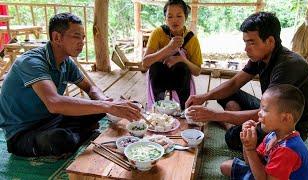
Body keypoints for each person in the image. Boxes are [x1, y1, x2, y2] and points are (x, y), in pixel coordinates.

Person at [0, 13, 141, 157]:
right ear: (57, 38)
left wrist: (106, 101)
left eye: (83, 37)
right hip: (23, 132)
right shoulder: (32, 62)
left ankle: (79, 134)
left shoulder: (66, 62)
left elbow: (90, 88)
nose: (81, 42)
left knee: (102, 108)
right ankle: (80, 134)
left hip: (52, 119)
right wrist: (107, 106)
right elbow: (54, 103)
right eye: (76, 36)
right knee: (61, 139)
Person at [185, 11, 308, 151]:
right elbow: (234, 83)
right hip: (270, 111)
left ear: (270, 41)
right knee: (228, 93)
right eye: (245, 42)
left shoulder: (287, 66)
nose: (246, 48)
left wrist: (214, 115)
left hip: (288, 127)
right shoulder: (262, 56)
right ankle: (231, 119)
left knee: (234, 137)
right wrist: (203, 96)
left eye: (251, 42)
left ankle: (229, 125)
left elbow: (268, 114)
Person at [220, 84, 308, 179]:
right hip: (267, 174)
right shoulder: (272, 135)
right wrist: (247, 144)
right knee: (226, 166)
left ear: (285, 118)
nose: (259, 113)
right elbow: (250, 162)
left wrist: (250, 149)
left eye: (264, 109)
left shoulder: (287, 150)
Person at [142, 0, 203, 110]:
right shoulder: (158, 33)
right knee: (155, 67)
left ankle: (184, 109)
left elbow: (197, 71)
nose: (174, 20)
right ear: (165, 18)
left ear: (186, 17)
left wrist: (181, 59)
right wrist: (169, 48)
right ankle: (158, 108)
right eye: (169, 17)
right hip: (160, 78)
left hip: (180, 80)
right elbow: (145, 63)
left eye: (179, 16)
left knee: (182, 67)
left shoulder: (191, 39)